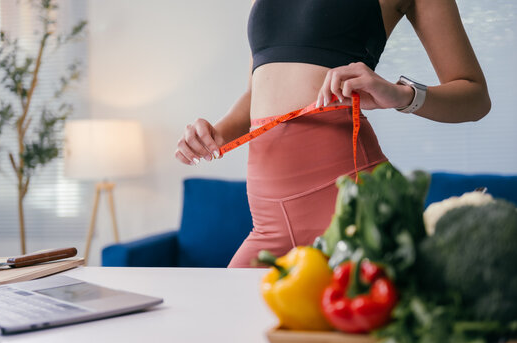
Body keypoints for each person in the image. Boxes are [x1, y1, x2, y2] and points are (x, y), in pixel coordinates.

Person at [174, 0, 491, 268]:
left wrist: (400, 94)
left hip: (354, 212)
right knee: (222, 330)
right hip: (268, 225)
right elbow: (257, 90)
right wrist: (217, 132)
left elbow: (475, 97)